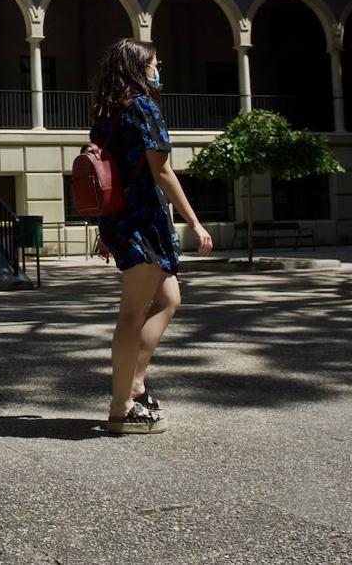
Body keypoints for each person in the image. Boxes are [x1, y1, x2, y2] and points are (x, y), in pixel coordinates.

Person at [89, 39, 213, 434]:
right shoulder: (143, 108)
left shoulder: (106, 112)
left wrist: (105, 228)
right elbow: (162, 172)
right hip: (142, 220)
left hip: (121, 220)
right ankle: (120, 406)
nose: (158, 70)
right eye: (154, 64)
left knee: (169, 298)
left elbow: (105, 174)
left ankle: (135, 382)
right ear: (139, 68)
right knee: (131, 313)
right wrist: (195, 222)